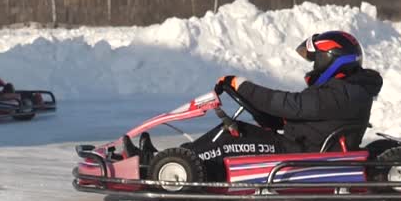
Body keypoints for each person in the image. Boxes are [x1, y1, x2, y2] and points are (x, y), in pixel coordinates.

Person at [126, 31, 383, 169]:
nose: (313, 66)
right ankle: (171, 160)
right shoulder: (346, 89)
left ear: (331, 59)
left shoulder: (346, 92)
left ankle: (167, 165)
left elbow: (292, 105)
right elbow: (298, 114)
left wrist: (244, 87)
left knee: (229, 140)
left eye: (315, 59)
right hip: (298, 144)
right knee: (234, 131)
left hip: (301, 153)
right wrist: (261, 112)